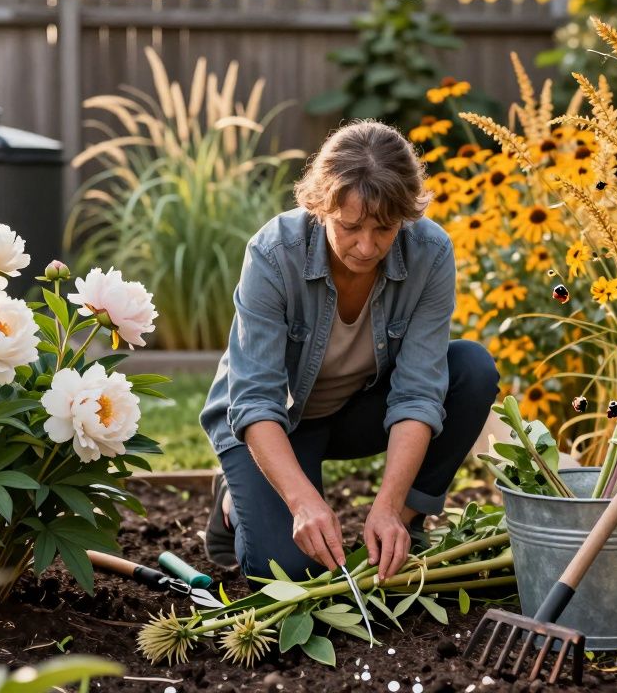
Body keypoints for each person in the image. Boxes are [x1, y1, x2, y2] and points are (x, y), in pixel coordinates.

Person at [199, 119, 500, 586]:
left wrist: (388, 507)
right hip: (273, 424)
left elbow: (419, 392)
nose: (366, 245)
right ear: (321, 206)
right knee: (288, 570)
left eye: (385, 228)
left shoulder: (431, 253)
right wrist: (302, 504)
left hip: (355, 411)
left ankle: (402, 526)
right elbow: (255, 401)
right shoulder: (274, 253)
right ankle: (233, 501)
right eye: (350, 226)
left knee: (472, 370)